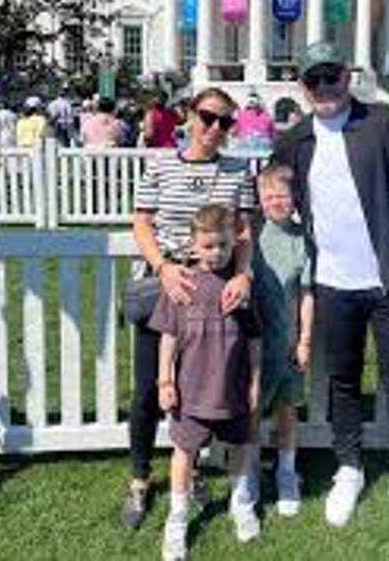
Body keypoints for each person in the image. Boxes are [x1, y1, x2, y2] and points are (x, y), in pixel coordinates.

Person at [274, 41, 389, 543]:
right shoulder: (295, 140)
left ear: (347, 76)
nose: (324, 87)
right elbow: (273, 198)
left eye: (332, 76)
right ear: (302, 86)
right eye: (314, 79)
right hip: (331, 285)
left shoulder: (385, 124)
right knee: (342, 381)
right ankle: (350, 467)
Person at [122, 87, 256, 530]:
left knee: (206, 384)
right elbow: (141, 221)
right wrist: (162, 267)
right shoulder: (160, 163)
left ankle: (192, 471)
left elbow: (243, 232)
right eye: (208, 117)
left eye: (225, 122)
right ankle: (140, 480)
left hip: (217, 290)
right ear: (188, 115)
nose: (215, 128)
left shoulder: (237, 170)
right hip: (170, 284)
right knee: (149, 389)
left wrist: (242, 274)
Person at [150, 204, 261, 560]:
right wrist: (165, 380)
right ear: (194, 245)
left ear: (234, 245)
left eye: (223, 247)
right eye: (209, 246)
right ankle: (178, 518)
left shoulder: (241, 288)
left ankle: (240, 501)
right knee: (184, 453)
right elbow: (167, 337)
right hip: (191, 392)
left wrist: (255, 383)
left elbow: (256, 340)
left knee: (237, 449)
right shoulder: (181, 285)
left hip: (232, 390)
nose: (216, 254)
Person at [248, 163, 314, 517]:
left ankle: (287, 471)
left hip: (288, 343)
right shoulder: (251, 238)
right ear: (259, 198)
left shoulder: (304, 239)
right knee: (254, 409)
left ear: (294, 198)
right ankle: (251, 471)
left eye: (283, 195)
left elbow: (306, 294)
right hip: (257, 345)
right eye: (268, 195)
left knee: (287, 410)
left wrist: (304, 340)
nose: (276, 201)